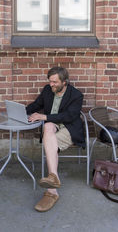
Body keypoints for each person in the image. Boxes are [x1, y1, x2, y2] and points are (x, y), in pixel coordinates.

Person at [26, 66, 84, 212]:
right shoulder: (47, 90)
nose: (51, 84)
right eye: (50, 81)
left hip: (69, 128)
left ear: (64, 82)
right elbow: (36, 105)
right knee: (48, 127)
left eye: (54, 82)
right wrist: (21, 112)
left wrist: (44, 116)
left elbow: (69, 116)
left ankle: (51, 190)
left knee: (50, 143)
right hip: (53, 126)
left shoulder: (76, 95)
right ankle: (53, 182)